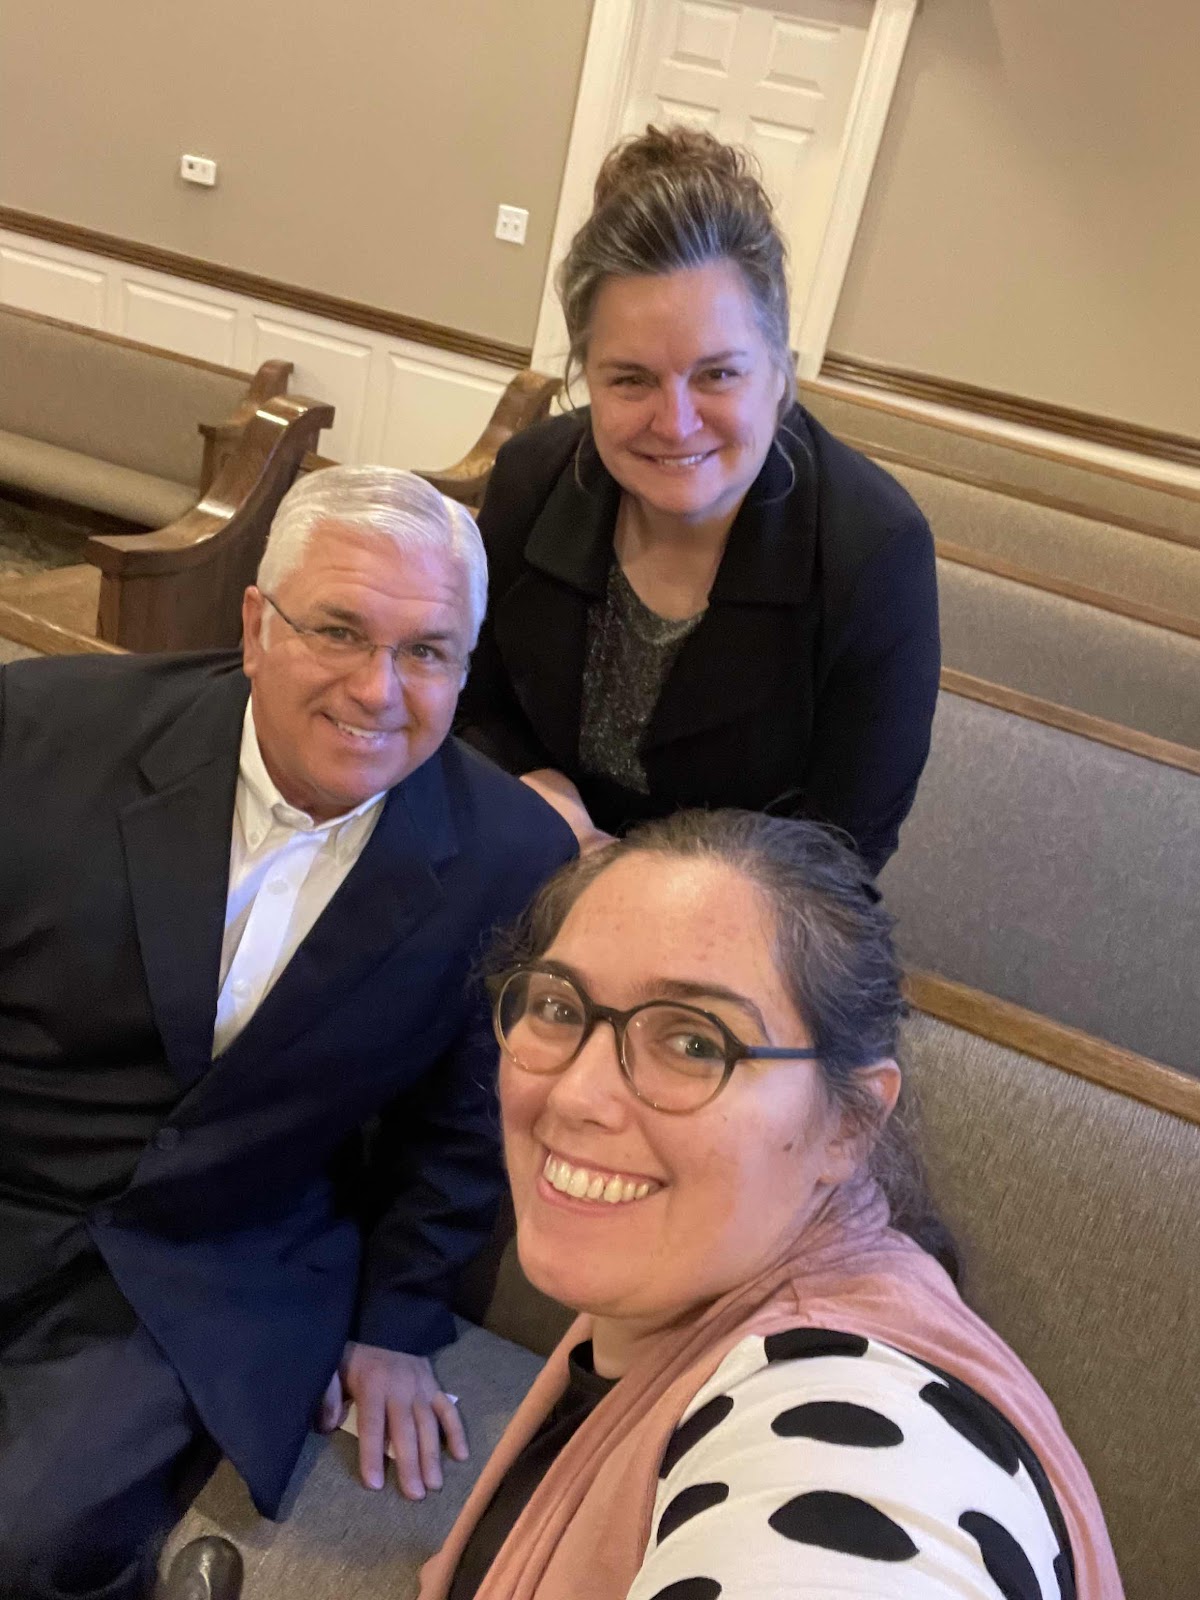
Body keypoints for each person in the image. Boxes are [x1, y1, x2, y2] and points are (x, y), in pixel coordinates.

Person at [0, 465, 576, 1599]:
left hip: (213, 1258)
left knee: (28, 1540)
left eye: (427, 651)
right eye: (340, 630)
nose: (378, 689)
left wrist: (398, 1323)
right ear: (257, 625)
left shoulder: (513, 859)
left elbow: (464, 1124)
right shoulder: (43, 731)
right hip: (14, 1168)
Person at [420, 811, 1123, 1600]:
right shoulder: (674, 1298)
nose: (577, 1094)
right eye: (558, 1008)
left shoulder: (853, 1419)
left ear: (849, 1124)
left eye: (695, 1044)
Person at [456, 125, 940, 874]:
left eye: (717, 375)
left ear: (780, 372)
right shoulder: (532, 476)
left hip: (744, 914)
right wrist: (532, 787)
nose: (675, 423)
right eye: (631, 379)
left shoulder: (874, 551)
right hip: (530, 859)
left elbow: (845, 851)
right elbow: (471, 700)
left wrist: (643, 891)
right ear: (586, 377)